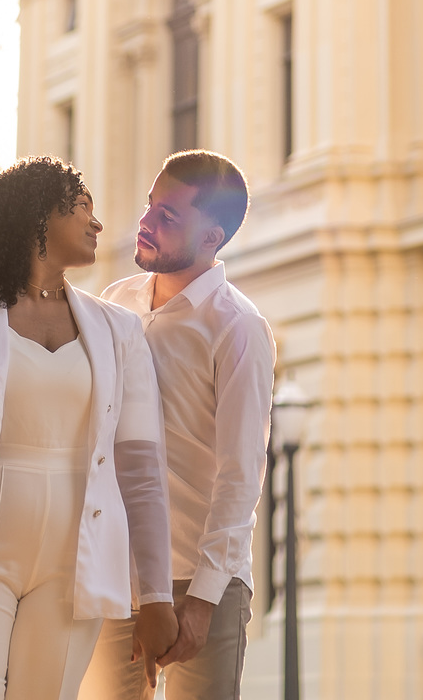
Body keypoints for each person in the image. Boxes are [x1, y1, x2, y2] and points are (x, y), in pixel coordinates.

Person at [0, 157, 179, 700]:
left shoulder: (119, 331)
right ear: (38, 220)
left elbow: (140, 471)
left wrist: (156, 596)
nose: (97, 223)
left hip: (76, 565)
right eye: (82, 208)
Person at [80, 151, 277, 700]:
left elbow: (242, 474)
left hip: (200, 579)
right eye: (150, 206)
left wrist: (204, 599)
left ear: (212, 237)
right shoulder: (114, 304)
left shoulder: (238, 328)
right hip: (115, 574)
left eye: (168, 216)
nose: (145, 223)